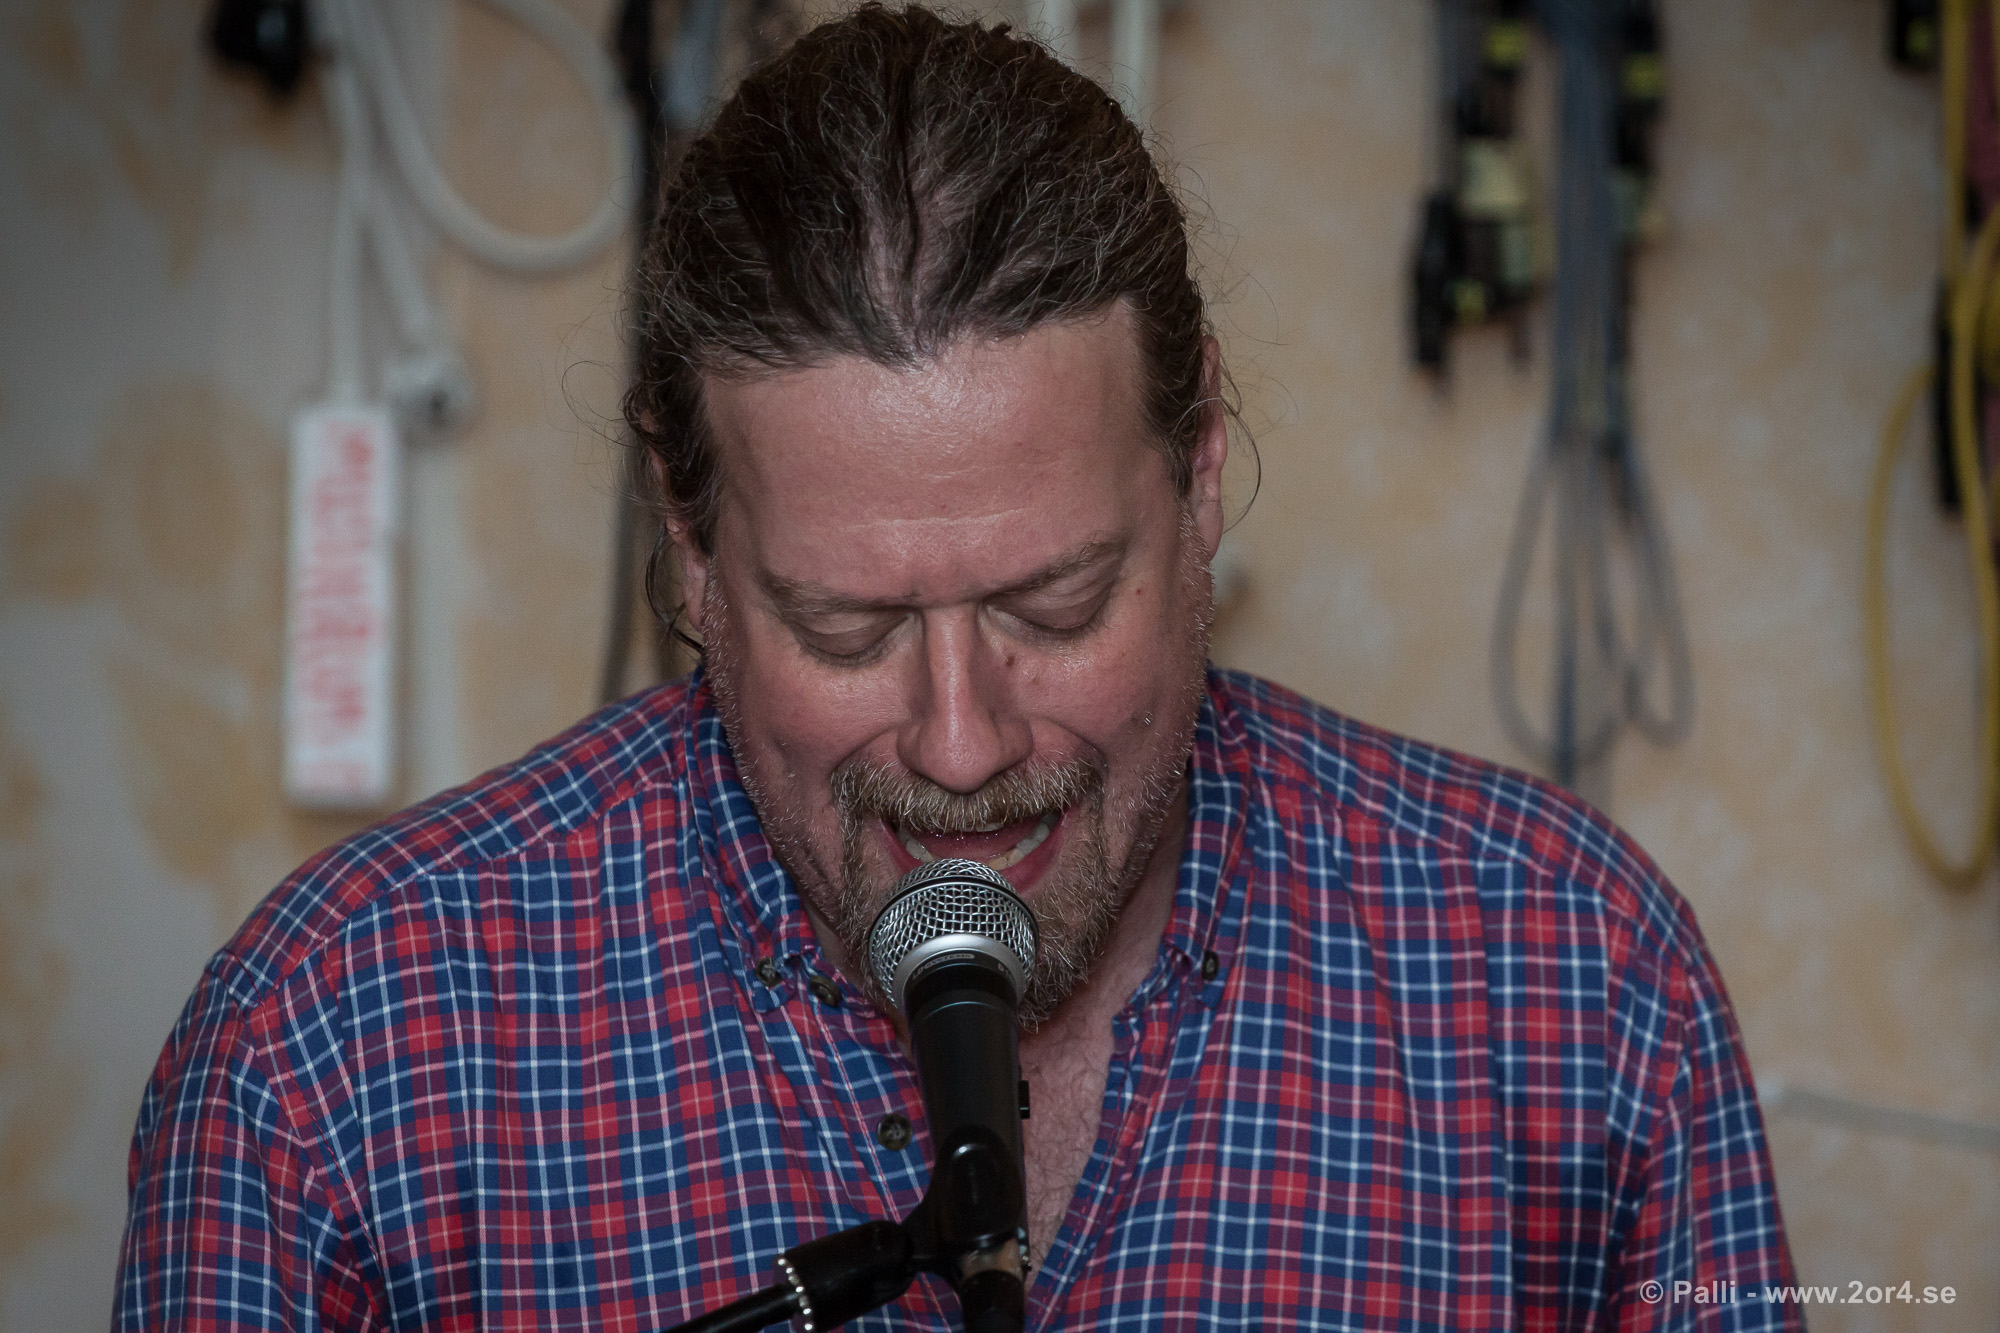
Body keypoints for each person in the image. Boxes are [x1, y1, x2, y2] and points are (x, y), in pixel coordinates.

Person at [115, 6, 1799, 1329]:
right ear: (690, 544)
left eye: (1055, 605)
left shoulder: (1576, 983)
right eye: (847, 629)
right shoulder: (328, 1059)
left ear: (1201, 473)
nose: (964, 741)